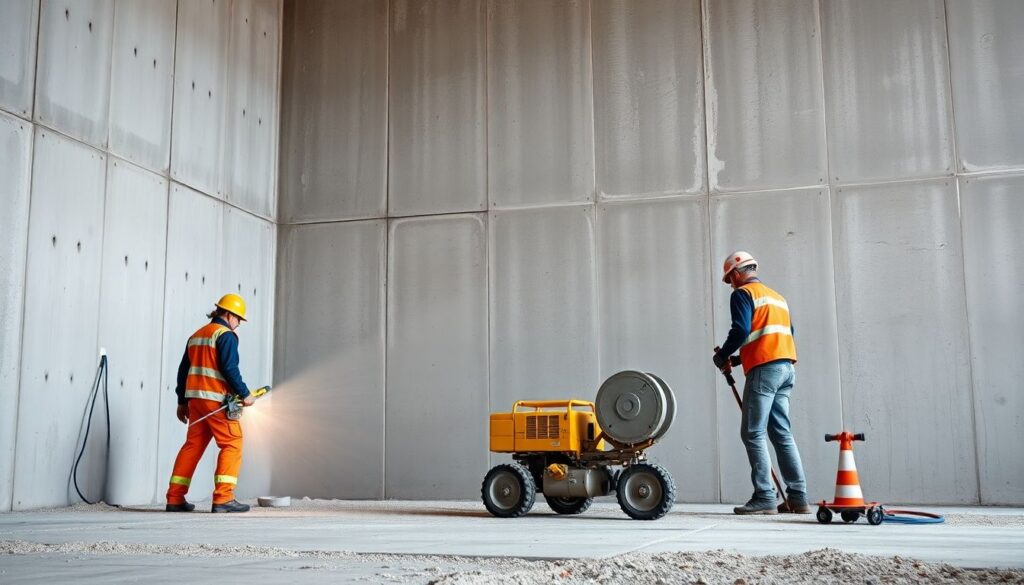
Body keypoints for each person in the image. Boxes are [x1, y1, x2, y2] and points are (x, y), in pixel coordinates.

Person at [713, 251, 809, 515]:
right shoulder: (777, 298)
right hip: (786, 368)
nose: (730, 284)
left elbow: (742, 331)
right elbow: (780, 335)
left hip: (765, 371)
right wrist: (736, 359)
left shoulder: (743, 294)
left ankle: (765, 495)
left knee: (752, 433)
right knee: (781, 433)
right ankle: (798, 498)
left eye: (729, 279)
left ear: (735, 273)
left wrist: (722, 356)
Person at [166, 293, 255, 513]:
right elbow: (229, 369)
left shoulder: (197, 335)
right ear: (228, 314)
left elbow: (182, 371)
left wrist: (181, 401)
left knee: (193, 445)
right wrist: (245, 394)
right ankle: (224, 498)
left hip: (195, 401)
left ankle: (175, 498)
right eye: (238, 320)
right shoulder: (225, 335)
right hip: (215, 401)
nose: (238, 325)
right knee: (232, 442)